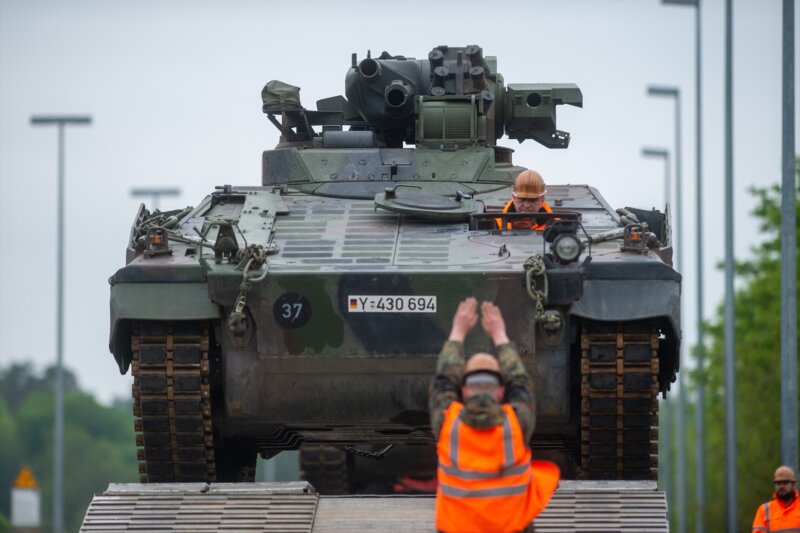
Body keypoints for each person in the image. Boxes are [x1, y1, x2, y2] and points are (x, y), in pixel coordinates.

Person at [429, 297, 559, 533]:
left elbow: (443, 381)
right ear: (501, 392)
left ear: (464, 391)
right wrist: (500, 336)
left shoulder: (449, 423)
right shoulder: (516, 423)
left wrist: (458, 331)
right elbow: (521, 383)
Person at [752, 465, 800, 532]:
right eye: (778, 483)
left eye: (785, 483)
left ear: (793, 485)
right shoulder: (764, 510)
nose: (781, 486)